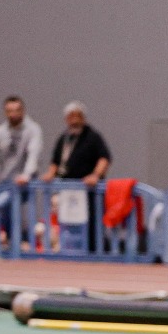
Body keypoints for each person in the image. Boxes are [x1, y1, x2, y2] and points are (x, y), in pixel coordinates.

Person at [41, 101, 111, 252]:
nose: (74, 120)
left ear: (83, 118)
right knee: (67, 222)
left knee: (92, 223)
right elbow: (55, 161)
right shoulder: (64, 139)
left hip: (88, 191)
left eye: (77, 116)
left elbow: (104, 158)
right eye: (70, 117)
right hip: (68, 190)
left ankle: (94, 252)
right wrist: (50, 175)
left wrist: (95, 175)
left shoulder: (93, 137)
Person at [0, 95, 43, 248]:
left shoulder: (32, 129)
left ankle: (22, 241)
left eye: (16, 110)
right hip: (5, 182)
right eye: (9, 111)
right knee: (0, 208)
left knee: (9, 206)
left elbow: (33, 154)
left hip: (24, 183)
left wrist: (26, 174)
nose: (13, 114)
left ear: (22, 111)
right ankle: (8, 242)